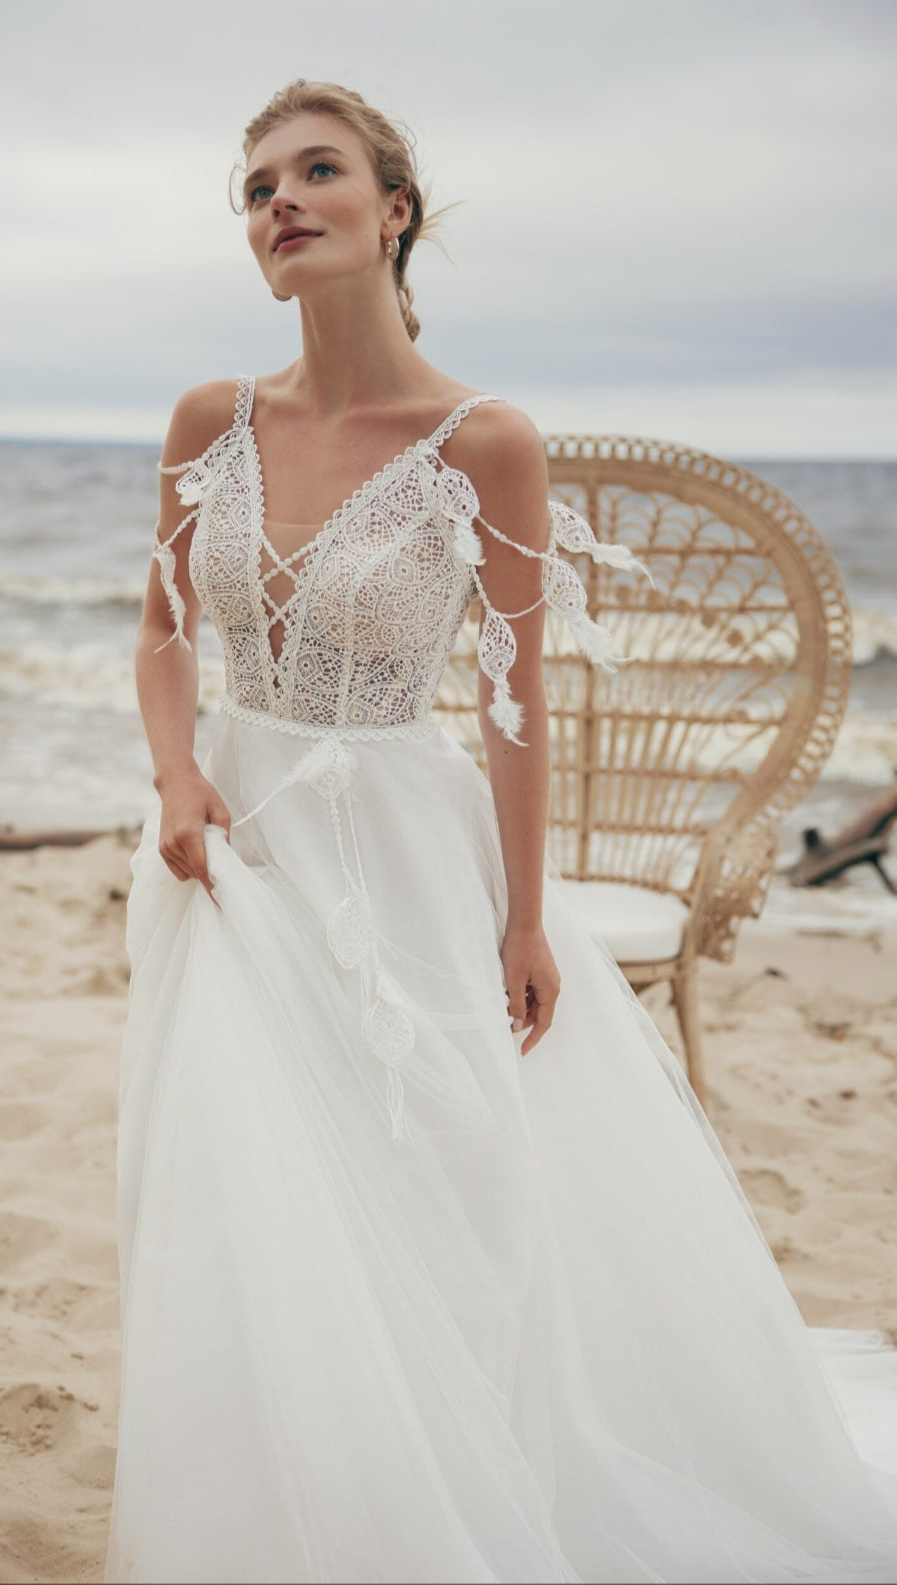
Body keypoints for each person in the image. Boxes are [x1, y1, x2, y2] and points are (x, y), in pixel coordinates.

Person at [104, 79, 897, 1584]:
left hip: (400, 849)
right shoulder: (212, 421)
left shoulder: (485, 442)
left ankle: (450, 1489)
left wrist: (527, 915)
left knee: (437, 1182)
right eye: (257, 187)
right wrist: (174, 777)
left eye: (316, 171)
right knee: (238, 1192)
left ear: (394, 208)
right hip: (227, 856)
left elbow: (514, 702)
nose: (280, 201)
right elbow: (161, 631)